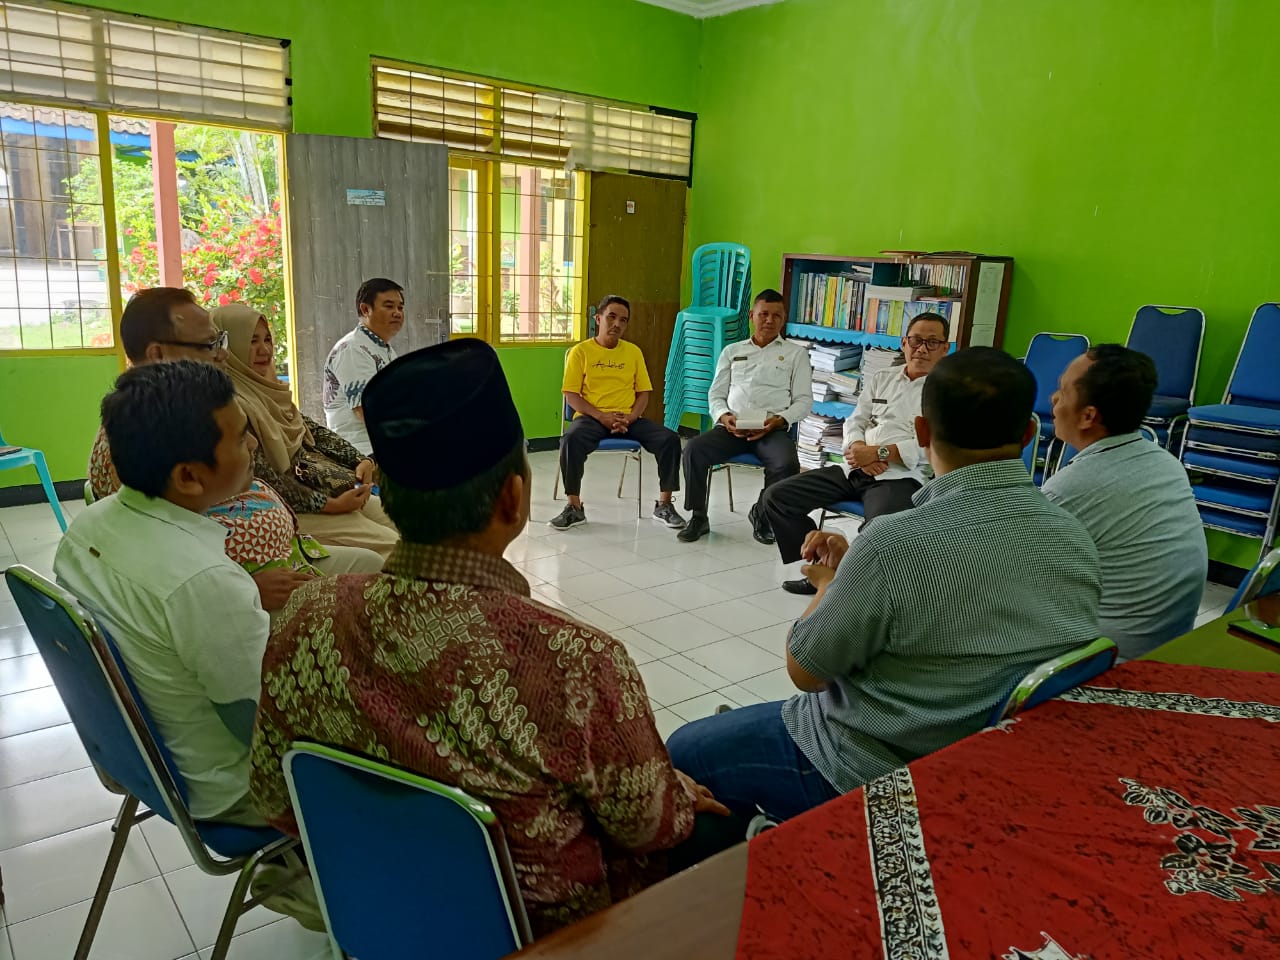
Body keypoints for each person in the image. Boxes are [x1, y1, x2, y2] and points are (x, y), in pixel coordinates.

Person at [249, 339, 729, 936]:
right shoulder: (576, 661)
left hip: (373, 909)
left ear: (386, 498)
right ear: (513, 498)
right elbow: (651, 826)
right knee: (719, 823)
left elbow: (274, 798)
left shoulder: (306, 615)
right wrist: (673, 788)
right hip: (545, 936)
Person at [666, 347, 1102, 827]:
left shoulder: (895, 543)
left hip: (872, 763)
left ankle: (767, 840)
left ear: (922, 432)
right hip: (987, 759)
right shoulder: (1074, 536)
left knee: (683, 752)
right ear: (1028, 434)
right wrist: (857, 573)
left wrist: (829, 587)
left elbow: (806, 671)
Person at [59, 361, 270, 824]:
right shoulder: (204, 581)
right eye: (240, 438)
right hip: (233, 790)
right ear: (189, 477)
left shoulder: (86, 528)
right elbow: (263, 726)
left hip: (145, 765)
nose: (254, 445)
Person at [88, 288, 383, 616]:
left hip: (284, 553)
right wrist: (246, 587)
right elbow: (153, 554)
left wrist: (360, 461)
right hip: (242, 593)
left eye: (222, 341)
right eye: (209, 345)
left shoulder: (191, 406)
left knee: (375, 559)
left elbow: (306, 434)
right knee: (382, 568)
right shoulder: (140, 431)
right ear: (158, 354)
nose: (223, 355)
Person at [761, 312, 950, 595]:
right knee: (776, 497)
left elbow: (935, 447)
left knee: (880, 531)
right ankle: (822, 568)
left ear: (945, 349)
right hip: (855, 468)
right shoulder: (883, 377)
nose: (922, 348)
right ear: (904, 343)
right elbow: (855, 421)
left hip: (900, 477)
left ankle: (852, 588)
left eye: (932, 342)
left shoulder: (947, 391)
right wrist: (857, 448)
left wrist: (879, 453)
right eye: (916, 340)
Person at [1044, 344, 1207, 659]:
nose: (1053, 399)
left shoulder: (1072, 489)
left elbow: (1004, 575)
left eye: (1063, 391)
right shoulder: (1164, 462)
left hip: (1108, 663)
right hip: (1169, 646)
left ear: (1088, 416)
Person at [213, 303, 399, 560]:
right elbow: (264, 478)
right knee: (395, 548)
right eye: (251, 341)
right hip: (288, 508)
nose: (264, 350)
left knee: (408, 524)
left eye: (267, 339)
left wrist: (361, 461)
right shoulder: (227, 405)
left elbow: (315, 432)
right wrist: (331, 505)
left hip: (329, 491)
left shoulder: (270, 392)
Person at [677, 289, 811, 544]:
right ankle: (698, 516)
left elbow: (804, 401)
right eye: (763, 314)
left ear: (784, 319)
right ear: (752, 316)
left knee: (787, 464)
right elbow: (715, 394)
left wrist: (780, 420)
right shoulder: (732, 351)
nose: (769, 320)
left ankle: (763, 514)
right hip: (732, 428)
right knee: (693, 450)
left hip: (772, 429)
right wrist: (724, 416)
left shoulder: (796, 354)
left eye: (776, 315)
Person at [550, 295, 686, 531]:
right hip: (592, 418)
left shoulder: (633, 352)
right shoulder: (580, 352)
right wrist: (601, 416)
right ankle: (574, 506)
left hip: (627, 419)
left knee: (670, 439)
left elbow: (643, 393)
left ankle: (664, 505)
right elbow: (571, 395)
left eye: (623, 320)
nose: (617, 324)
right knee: (570, 440)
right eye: (611, 317)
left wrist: (631, 417)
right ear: (598, 318)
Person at [322, 277, 404, 454]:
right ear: (365, 309)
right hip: (361, 451)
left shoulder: (384, 349)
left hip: (381, 446)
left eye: (400, 307)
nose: (397, 313)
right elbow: (366, 412)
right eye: (389, 306)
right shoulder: (353, 349)